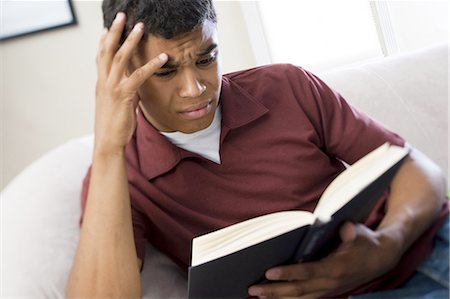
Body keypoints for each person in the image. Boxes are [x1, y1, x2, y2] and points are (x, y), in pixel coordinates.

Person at [66, 0, 449, 298]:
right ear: (123, 66)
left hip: (427, 249)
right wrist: (107, 147)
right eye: (165, 71)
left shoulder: (286, 85)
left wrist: (387, 246)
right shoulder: (117, 175)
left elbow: (421, 172)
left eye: (206, 58)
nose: (194, 89)